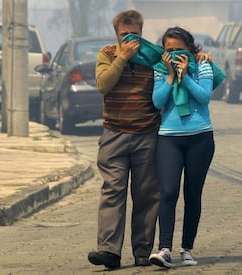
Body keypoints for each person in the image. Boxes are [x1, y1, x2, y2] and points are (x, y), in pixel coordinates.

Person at [87, 10, 162, 269]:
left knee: (145, 194)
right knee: (112, 191)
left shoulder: (153, 57)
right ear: (116, 34)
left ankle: (142, 250)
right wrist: (122, 58)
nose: (130, 39)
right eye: (124, 34)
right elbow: (103, 85)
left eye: (135, 34)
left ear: (142, 32)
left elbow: (167, 85)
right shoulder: (107, 54)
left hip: (146, 134)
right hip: (114, 134)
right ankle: (109, 251)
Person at [148, 26, 216, 268]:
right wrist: (169, 75)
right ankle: (164, 249)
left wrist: (185, 75)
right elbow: (157, 101)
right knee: (167, 192)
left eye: (180, 50)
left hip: (200, 138)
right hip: (169, 138)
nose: (175, 54)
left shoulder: (203, 65)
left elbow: (203, 97)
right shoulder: (159, 69)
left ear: (190, 48)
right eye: (170, 50)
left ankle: (187, 248)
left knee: (193, 194)